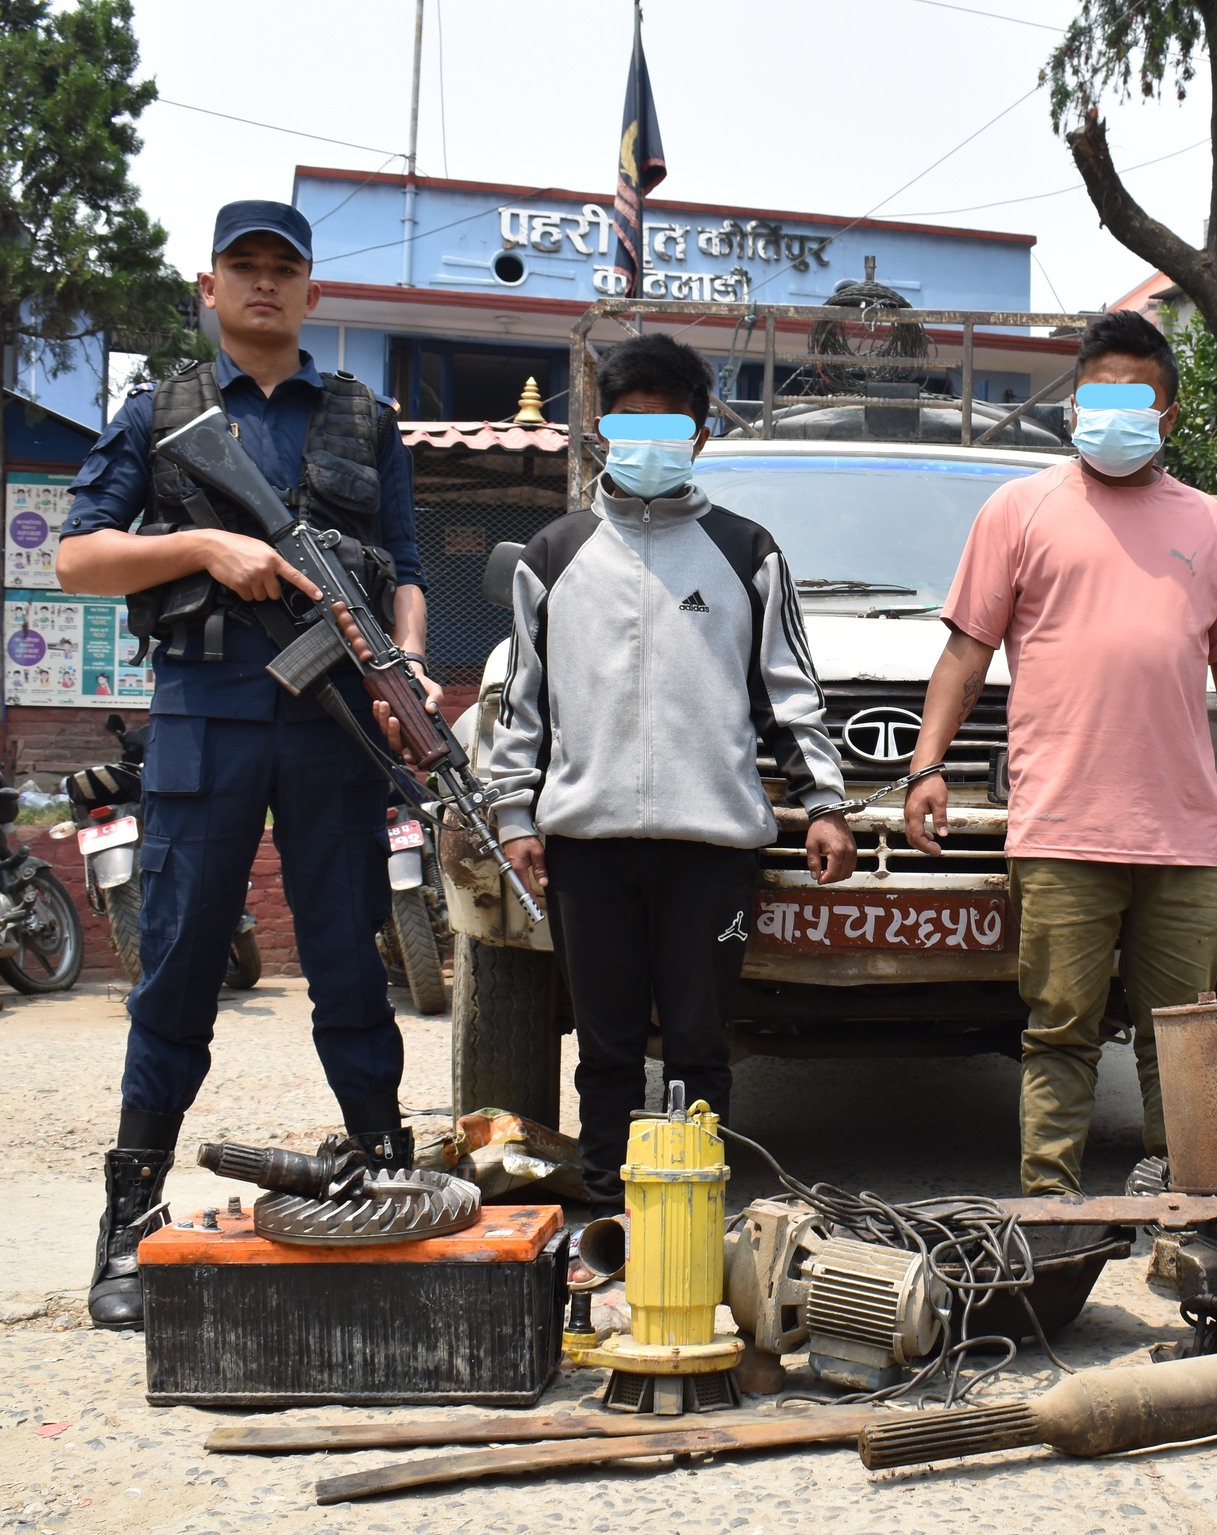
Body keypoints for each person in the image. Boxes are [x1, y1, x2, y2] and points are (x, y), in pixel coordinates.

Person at [56, 200, 434, 1328]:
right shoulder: (160, 412)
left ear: (314, 294)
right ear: (210, 288)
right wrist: (205, 545)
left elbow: (407, 564)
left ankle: (380, 1183)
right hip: (206, 718)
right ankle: (128, 1226)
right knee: (176, 974)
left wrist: (405, 659)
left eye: (285, 269)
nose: (263, 284)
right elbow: (79, 556)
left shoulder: (365, 419)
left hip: (332, 729)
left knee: (352, 972)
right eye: (243, 267)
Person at [902, 309, 1217, 1196]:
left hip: (1183, 834)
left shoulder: (1210, 525)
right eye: (1097, 395)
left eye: (1136, 397)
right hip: (1063, 829)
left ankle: (1202, 1215)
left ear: (1169, 416)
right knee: (1060, 1031)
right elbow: (966, 653)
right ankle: (1051, 1211)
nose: (1113, 412)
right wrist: (928, 765)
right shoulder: (1019, 509)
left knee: (1190, 1035)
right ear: (1074, 406)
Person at [489, 333, 856, 1211]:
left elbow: (787, 691)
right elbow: (521, 701)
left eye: (671, 423)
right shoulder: (553, 553)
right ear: (601, 430)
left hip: (711, 851)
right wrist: (513, 814)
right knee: (608, 1043)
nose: (650, 441)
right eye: (630, 424)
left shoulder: (745, 550)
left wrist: (826, 806)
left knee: (698, 1040)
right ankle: (609, 1209)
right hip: (588, 848)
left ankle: (692, 1205)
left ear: (699, 434)